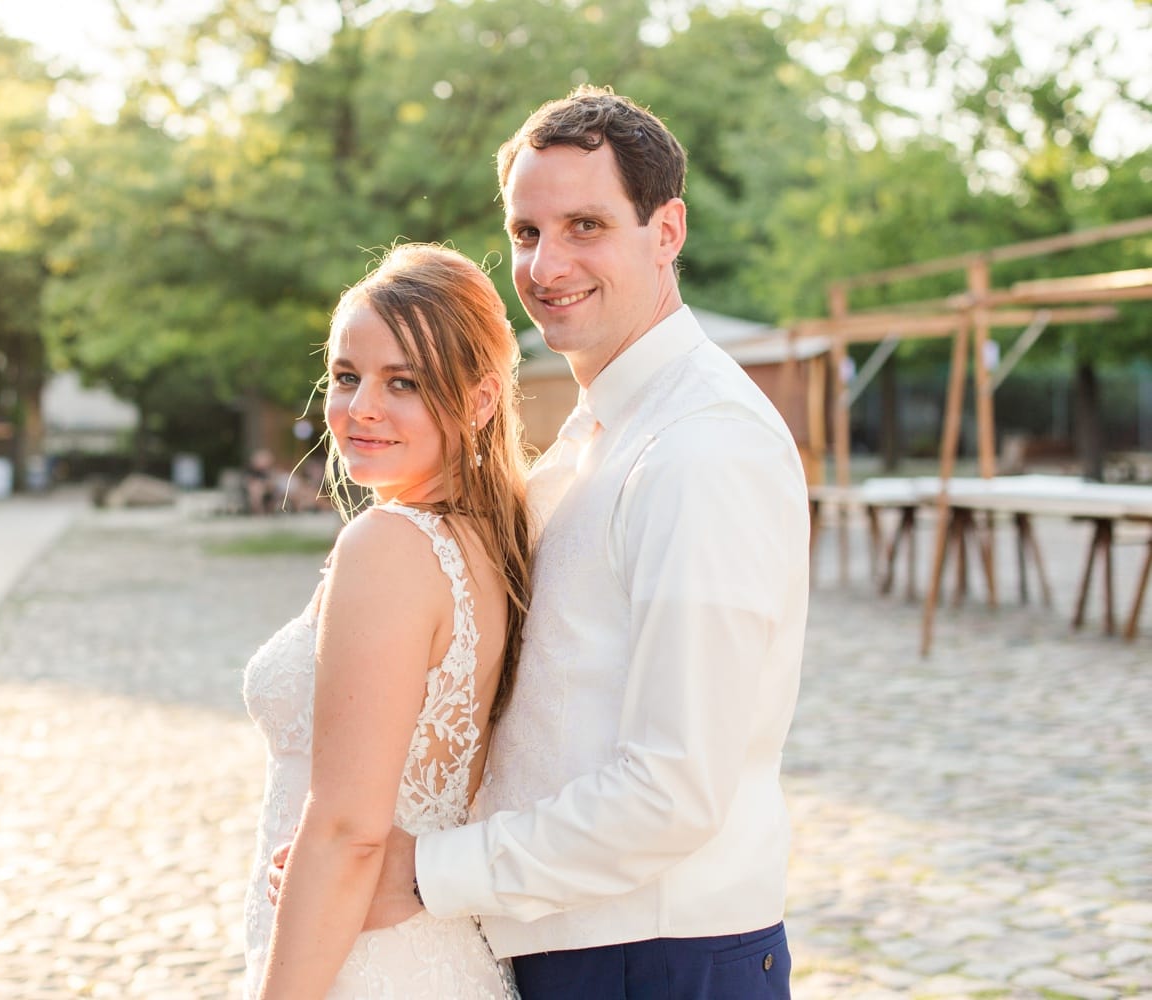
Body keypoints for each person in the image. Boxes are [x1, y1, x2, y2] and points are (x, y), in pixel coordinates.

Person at [275, 85, 809, 998]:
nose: (547, 264)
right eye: (527, 232)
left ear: (667, 230)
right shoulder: (589, 442)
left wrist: (425, 873)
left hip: (658, 955)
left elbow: (675, 788)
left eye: (586, 226)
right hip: (555, 947)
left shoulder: (700, 449)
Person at [241, 242, 534, 998]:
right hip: (422, 954)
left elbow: (348, 831)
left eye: (402, 382)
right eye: (346, 376)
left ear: (478, 399)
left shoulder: (388, 546)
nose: (360, 407)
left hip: (361, 965)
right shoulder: (480, 539)